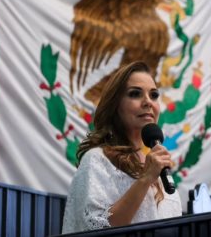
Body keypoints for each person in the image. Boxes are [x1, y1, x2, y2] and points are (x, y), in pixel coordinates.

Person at [62, 61, 182, 233]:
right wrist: (145, 179)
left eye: (154, 95)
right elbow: (99, 229)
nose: (148, 102)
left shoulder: (159, 168)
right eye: (135, 94)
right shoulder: (97, 159)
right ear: (115, 105)